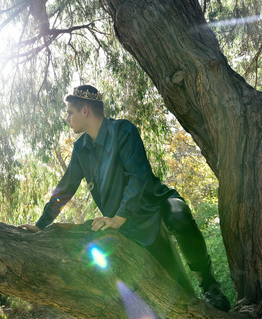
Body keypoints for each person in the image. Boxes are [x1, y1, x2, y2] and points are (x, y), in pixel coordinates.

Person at [19, 85, 231, 312]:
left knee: (179, 215)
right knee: (178, 291)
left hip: (156, 204)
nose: (68, 118)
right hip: (131, 227)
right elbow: (65, 189)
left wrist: (118, 217)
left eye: (70, 113)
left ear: (85, 111)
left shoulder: (123, 130)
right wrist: (41, 225)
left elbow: (137, 177)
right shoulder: (80, 149)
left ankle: (210, 285)